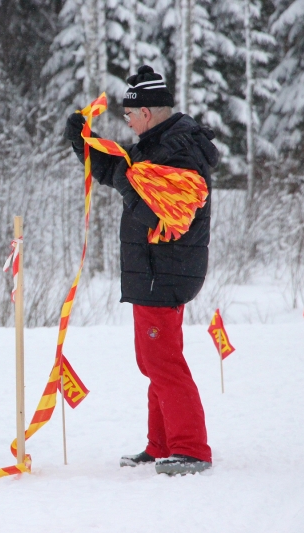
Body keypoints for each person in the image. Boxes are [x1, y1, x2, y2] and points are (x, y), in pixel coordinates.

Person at [63, 65, 219, 476]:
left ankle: (191, 448)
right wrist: (87, 145)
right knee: (155, 361)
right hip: (158, 270)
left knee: (162, 361)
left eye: (130, 114)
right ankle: (162, 444)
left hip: (163, 270)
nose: (127, 121)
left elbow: (153, 207)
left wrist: (113, 167)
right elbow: (127, 173)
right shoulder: (159, 145)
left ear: (147, 112)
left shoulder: (178, 149)